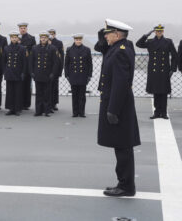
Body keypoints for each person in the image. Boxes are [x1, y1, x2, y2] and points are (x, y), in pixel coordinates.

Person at [97, 19, 140, 197]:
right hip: (118, 103)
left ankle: (126, 186)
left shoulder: (121, 51)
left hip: (118, 105)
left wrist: (113, 109)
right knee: (120, 146)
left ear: (117, 35)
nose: (105, 36)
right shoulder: (119, 47)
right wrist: (105, 32)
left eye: (109, 34)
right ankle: (123, 182)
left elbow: (120, 83)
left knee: (123, 147)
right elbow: (100, 46)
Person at [136, 24, 177, 119]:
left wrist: (172, 69)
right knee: (156, 92)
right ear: (155, 32)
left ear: (163, 32)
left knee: (163, 92)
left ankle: (163, 113)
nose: (159, 32)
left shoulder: (168, 42)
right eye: (157, 31)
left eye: (161, 31)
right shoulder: (150, 41)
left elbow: (175, 56)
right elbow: (138, 44)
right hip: (153, 71)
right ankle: (157, 112)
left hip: (164, 70)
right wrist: (146, 35)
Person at [29, 31, 58, 116]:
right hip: (37, 74)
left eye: (45, 37)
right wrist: (31, 72)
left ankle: (47, 111)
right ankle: (38, 111)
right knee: (39, 93)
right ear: (40, 38)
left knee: (47, 94)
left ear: (47, 38)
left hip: (47, 74)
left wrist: (53, 73)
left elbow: (55, 62)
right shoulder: (34, 48)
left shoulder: (52, 48)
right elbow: (31, 61)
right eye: (42, 37)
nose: (43, 39)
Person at [64, 34, 92, 117]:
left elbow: (90, 64)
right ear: (74, 40)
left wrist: (89, 75)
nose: (78, 41)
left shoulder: (87, 49)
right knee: (74, 95)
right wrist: (67, 75)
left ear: (82, 40)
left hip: (83, 75)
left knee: (82, 95)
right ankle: (75, 112)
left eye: (79, 40)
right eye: (76, 40)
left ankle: (82, 112)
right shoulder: (69, 50)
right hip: (73, 75)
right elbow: (66, 64)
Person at [2, 31, 27, 116]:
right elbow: (4, 61)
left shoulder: (22, 48)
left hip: (18, 72)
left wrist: (23, 72)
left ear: (18, 38)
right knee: (10, 91)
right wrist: (4, 71)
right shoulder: (6, 48)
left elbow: (24, 62)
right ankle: (10, 108)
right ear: (10, 38)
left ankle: (17, 109)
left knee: (18, 91)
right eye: (12, 37)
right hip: (9, 72)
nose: (14, 39)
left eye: (15, 37)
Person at [18, 22, 36, 110]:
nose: (23, 29)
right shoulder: (16, 38)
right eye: (21, 28)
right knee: (19, 85)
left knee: (27, 84)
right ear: (19, 29)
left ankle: (26, 104)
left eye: (24, 28)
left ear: (26, 29)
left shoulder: (31, 38)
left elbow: (34, 52)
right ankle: (20, 103)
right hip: (19, 65)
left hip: (28, 64)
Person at [48, 29, 64, 111]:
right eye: (49, 34)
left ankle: (54, 103)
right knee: (48, 87)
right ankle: (48, 103)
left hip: (56, 68)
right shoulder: (45, 42)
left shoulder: (59, 43)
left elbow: (61, 57)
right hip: (47, 69)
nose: (51, 35)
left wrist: (60, 69)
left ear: (55, 34)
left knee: (55, 87)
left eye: (52, 34)